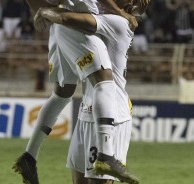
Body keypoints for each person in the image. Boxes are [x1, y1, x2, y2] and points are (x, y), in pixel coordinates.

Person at [12, 0, 139, 184]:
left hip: (59, 28)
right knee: (104, 82)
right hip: (73, 24)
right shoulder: (117, 20)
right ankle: (106, 155)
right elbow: (74, 17)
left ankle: (30, 155)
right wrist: (120, 10)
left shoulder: (112, 21)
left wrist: (44, 10)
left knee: (62, 93)